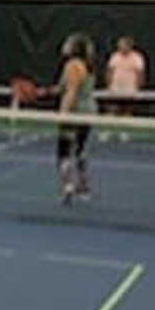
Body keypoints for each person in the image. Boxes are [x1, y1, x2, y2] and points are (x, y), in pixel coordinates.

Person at [49, 32, 99, 204]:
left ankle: (67, 186)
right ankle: (83, 187)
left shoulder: (72, 66)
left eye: (68, 43)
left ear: (74, 48)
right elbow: (62, 87)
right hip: (89, 112)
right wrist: (46, 91)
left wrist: (63, 114)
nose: (65, 45)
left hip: (75, 112)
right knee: (81, 150)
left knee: (64, 151)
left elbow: (70, 92)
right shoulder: (88, 65)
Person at [102, 36, 146, 141]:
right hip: (115, 89)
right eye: (119, 45)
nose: (120, 47)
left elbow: (140, 75)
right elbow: (109, 72)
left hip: (130, 90)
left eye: (123, 45)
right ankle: (107, 132)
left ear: (129, 46)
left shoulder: (137, 58)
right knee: (111, 111)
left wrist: (137, 88)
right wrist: (109, 86)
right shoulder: (114, 57)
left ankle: (124, 132)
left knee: (127, 112)